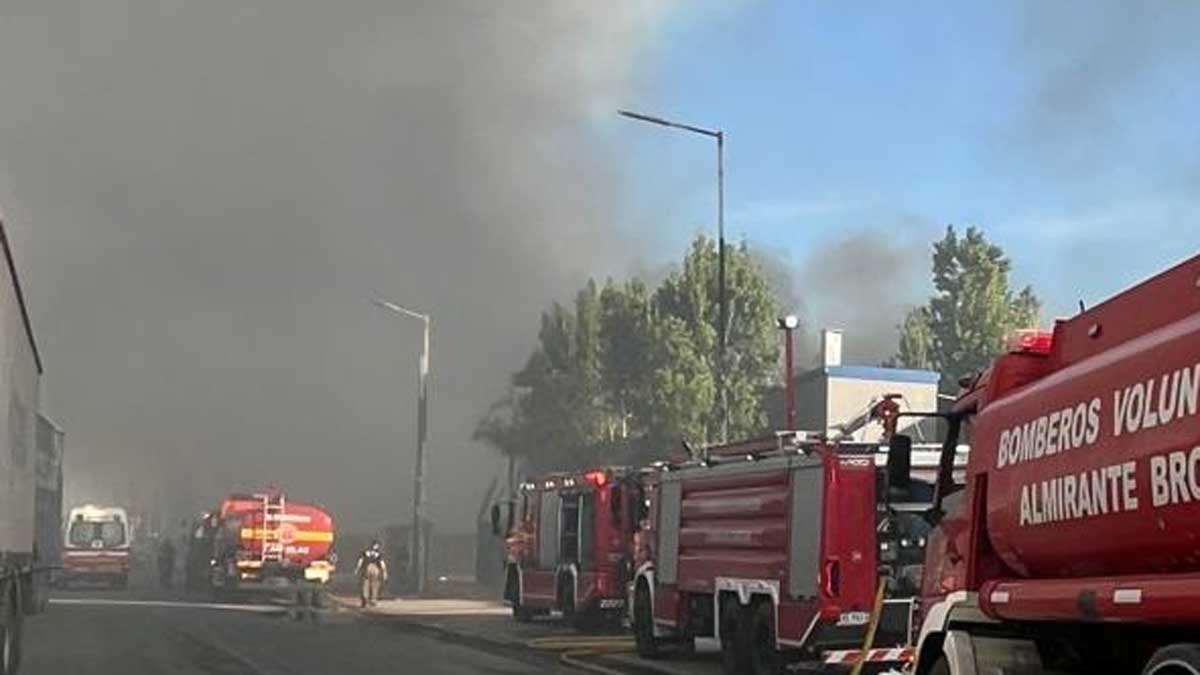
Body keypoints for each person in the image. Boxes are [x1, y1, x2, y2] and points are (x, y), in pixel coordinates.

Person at [355, 540, 388, 608]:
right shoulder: (378, 554)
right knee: (375, 585)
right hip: (375, 569)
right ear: (376, 546)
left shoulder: (365, 552)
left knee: (365, 584)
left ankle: (365, 599)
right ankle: (373, 600)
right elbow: (382, 564)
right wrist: (384, 572)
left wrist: (357, 569)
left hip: (366, 569)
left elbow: (360, 561)